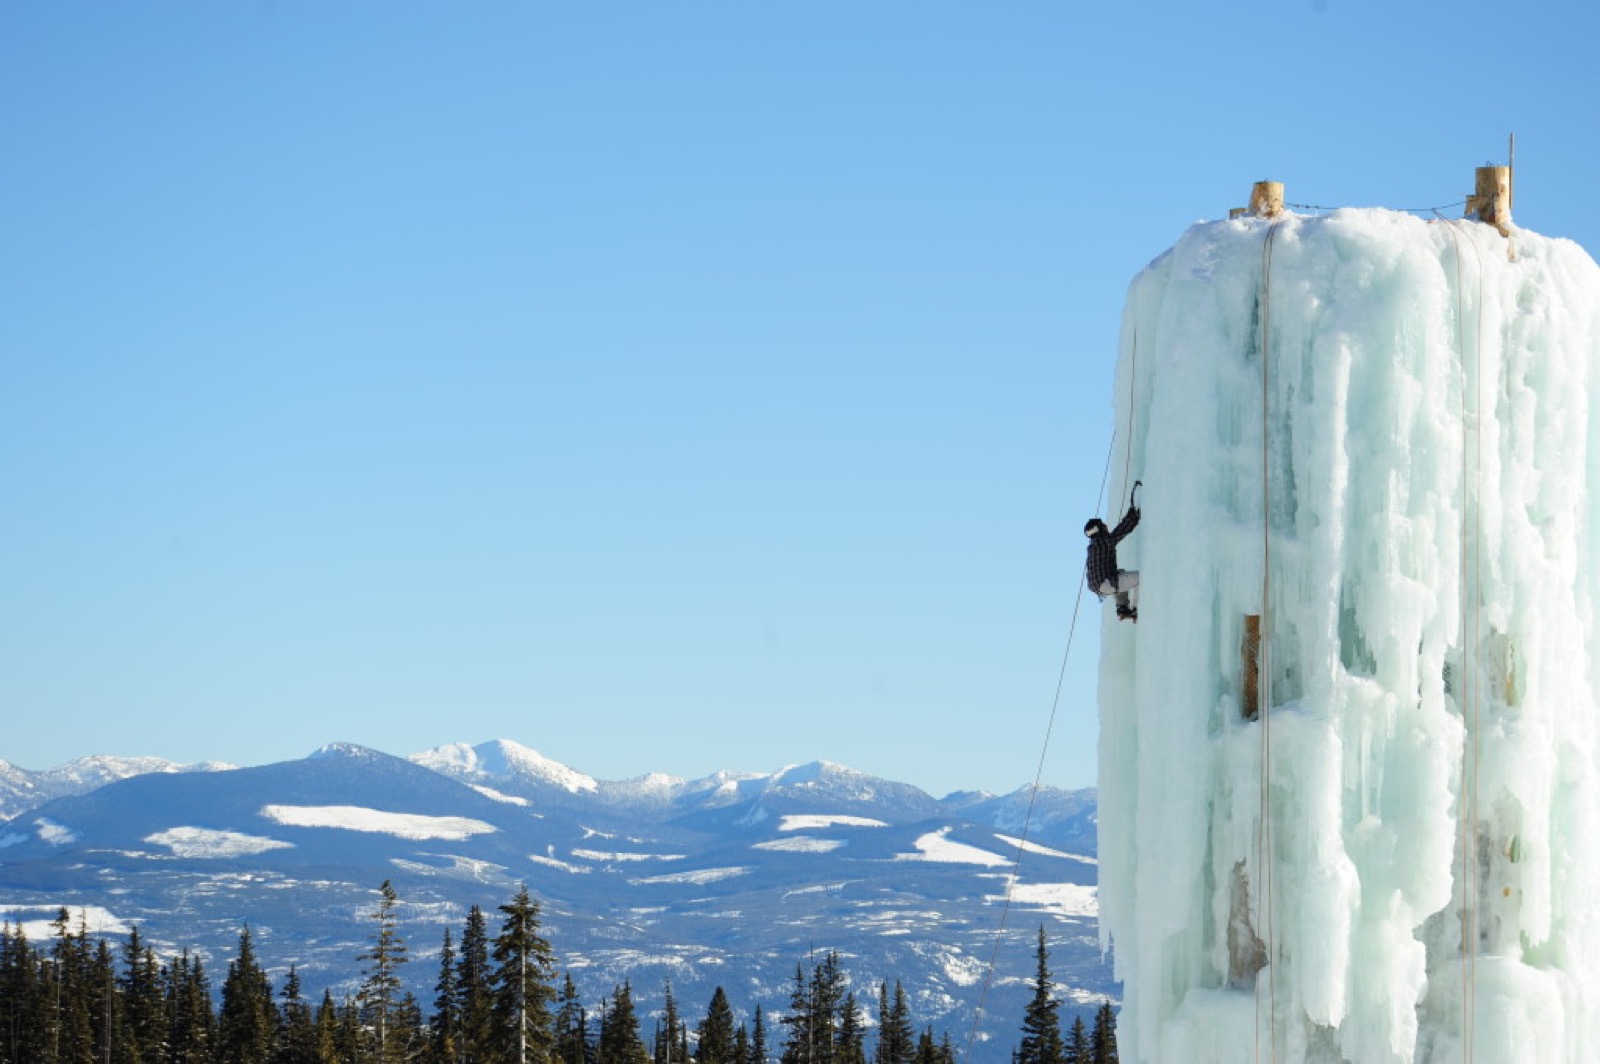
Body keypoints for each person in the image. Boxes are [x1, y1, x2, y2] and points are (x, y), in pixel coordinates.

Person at [1085, 500, 1141, 621]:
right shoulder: (1102, 541)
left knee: (1121, 575)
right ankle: (1137, 609)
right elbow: (1121, 531)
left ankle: (1123, 609)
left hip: (1100, 586)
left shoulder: (1093, 546)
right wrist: (1133, 516)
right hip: (1105, 583)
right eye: (1103, 525)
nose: (1106, 526)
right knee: (1141, 578)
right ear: (1099, 529)